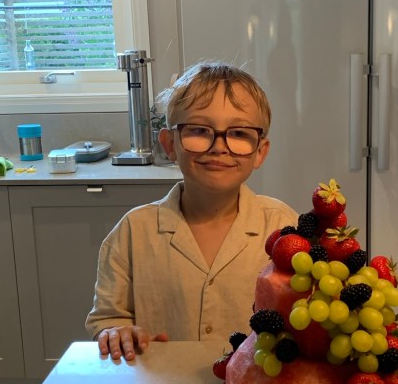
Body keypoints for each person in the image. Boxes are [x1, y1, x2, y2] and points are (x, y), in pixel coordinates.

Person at [86, 62, 296, 362]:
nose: (219, 147)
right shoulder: (133, 232)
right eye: (199, 130)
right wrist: (117, 332)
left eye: (238, 132)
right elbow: (107, 319)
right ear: (169, 144)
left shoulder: (284, 228)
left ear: (259, 151)